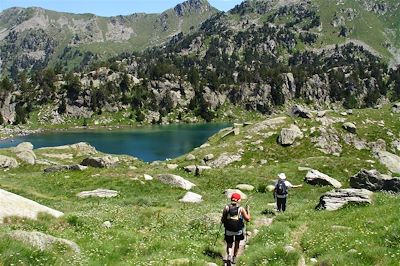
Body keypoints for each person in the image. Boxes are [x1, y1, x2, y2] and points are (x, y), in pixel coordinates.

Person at [221, 192, 251, 264]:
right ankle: (234, 258)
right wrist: (248, 211)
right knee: (237, 243)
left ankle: (229, 255)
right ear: (238, 200)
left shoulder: (226, 207)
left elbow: (223, 219)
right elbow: (248, 219)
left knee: (229, 243)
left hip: (228, 229)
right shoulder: (241, 209)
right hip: (238, 230)